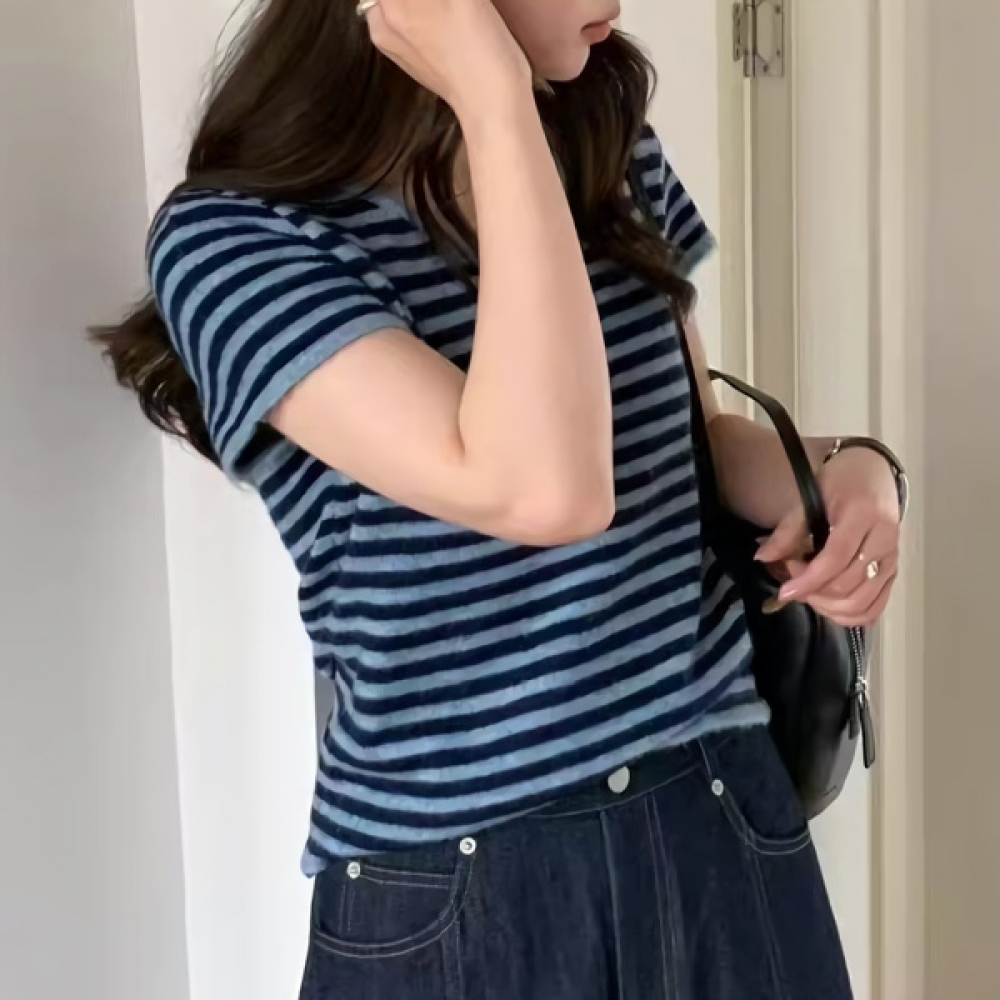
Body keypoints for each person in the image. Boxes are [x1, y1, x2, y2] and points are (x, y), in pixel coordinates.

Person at [93, 0, 904, 997]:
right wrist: (492, 99)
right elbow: (541, 488)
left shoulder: (605, 145)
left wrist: (851, 470)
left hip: (714, 814)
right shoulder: (233, 239)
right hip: (458, 889)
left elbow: (691, 446)